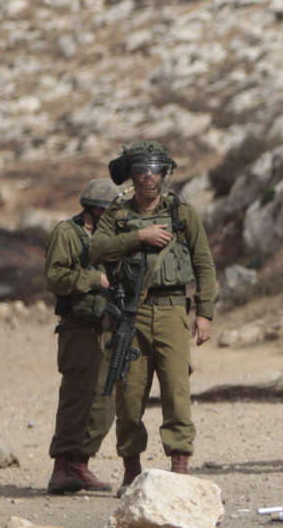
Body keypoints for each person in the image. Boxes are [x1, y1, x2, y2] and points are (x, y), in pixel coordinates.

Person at [89, 141, 216, 490]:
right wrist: (138, 236)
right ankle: (131, 469)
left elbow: (204, 263)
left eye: (155, 169)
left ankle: (180, 466)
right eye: (141, 169)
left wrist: (204, 313)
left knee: (177, 391)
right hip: (130, 313)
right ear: (131, 174)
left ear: (164, 173)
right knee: (129, 397)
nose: (149, 176)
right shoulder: (117, 215)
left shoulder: (181, 213)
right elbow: (96, 249)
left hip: (173, 309)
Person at [44, 178, 121, 494]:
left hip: (108, 326)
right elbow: (55, 277)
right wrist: (94, 279)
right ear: (95, 209)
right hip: (78, 327)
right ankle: (61, 467)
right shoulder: (67, 233)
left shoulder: (112, 237)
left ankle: (80, 463)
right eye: (109, 209)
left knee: (106, 400)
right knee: (76, 398)